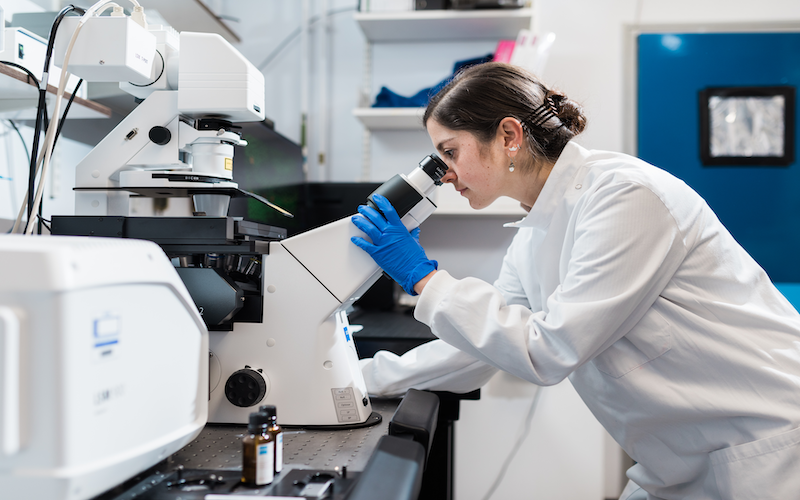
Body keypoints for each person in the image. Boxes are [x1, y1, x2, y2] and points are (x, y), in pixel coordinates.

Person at [350, 62, 800, 500]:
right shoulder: (535, 232)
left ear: (509, 136)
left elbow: (549, 350)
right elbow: (475, 350)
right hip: (680, 465)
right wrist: (355, 381)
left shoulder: (624, 195)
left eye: (450, 151)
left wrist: (424, 279)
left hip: (767, 450)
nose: (443, 173)